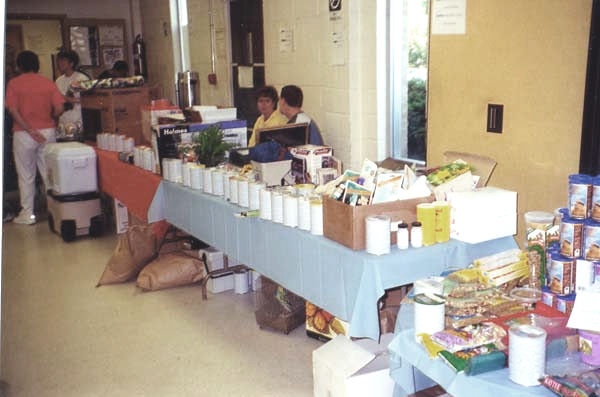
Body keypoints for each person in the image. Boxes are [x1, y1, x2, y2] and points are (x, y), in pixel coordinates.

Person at [5, 50, 65, 225]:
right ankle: (55, 211)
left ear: (19, 66)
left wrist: (29, 129)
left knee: (26, 175)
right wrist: (51, 119)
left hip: (23, 133)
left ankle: (28, 214)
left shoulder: (14, 84)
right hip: (47, 132)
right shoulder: (47, 82)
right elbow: (59, 109)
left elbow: (12, 110)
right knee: (49, 174)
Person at [55, 50, 89, 134]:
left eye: (63, 61)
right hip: (63, 121)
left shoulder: (81, 78)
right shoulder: (58, 80)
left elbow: (87, 100)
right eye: (58, 61)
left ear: (71, 63)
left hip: (78, 121)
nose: (59, 63)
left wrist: (66, 99)